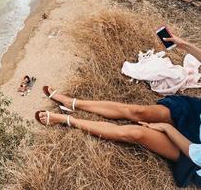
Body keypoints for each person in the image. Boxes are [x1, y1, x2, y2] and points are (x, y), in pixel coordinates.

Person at [35, 35, 201, 187]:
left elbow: (193, 152)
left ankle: (66, 120)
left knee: (137, 134)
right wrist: (184, 45)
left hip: (194, 153)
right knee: (139, 112)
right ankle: (72, 102)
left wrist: (166, 128)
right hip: (197, 117)